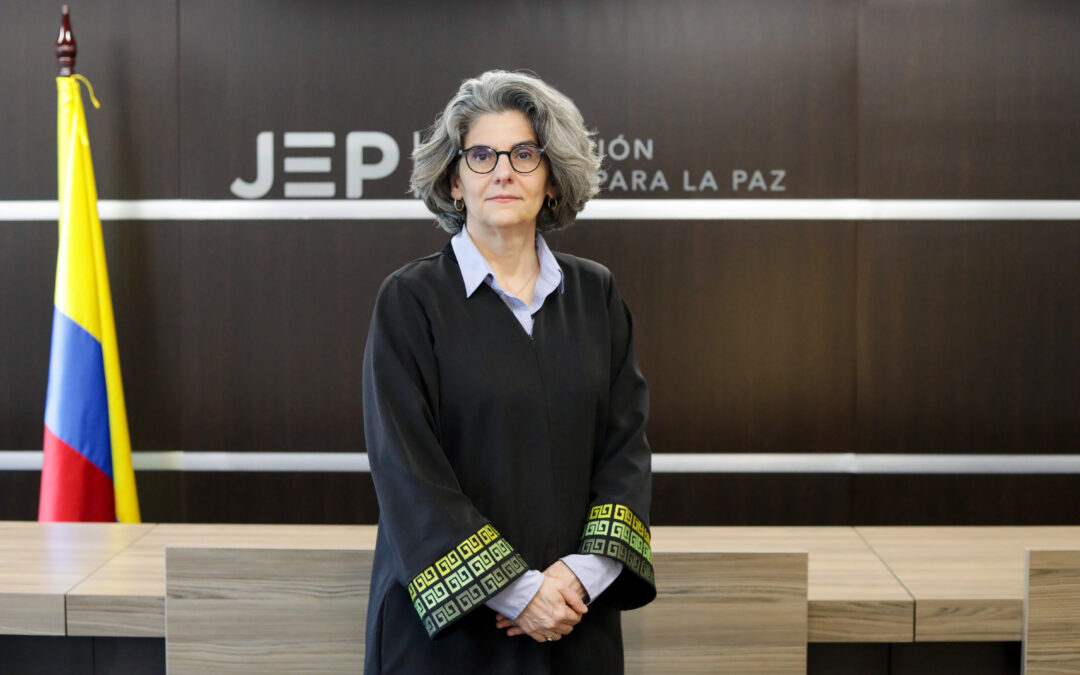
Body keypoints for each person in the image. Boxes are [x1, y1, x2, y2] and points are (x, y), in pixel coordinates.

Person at [362, 70, 655, 674]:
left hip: (574, 617)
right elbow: (407, 468)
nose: (502, 172)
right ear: (454, 180)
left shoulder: (595, 294)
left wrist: (578, 577)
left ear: (552, 179)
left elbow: (625, 449)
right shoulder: (411, 300)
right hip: (447, 635)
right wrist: (516, 590)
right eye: (481, 156)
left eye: (524, 154)